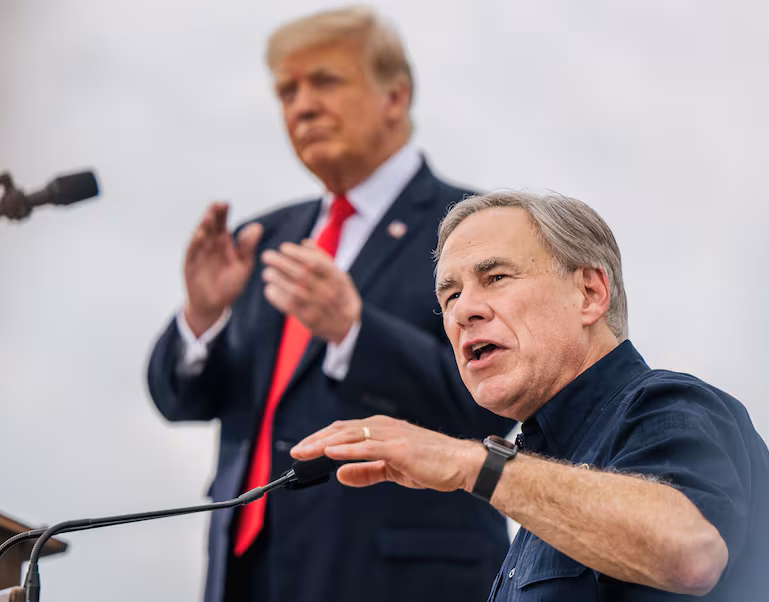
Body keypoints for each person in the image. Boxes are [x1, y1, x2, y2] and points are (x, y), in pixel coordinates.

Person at [147, 7, 513, 602]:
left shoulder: (478, 229)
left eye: (325, 81)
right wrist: (202, 318)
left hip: (401, 577)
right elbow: (178, 398)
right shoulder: (263, 240)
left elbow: (494, 406)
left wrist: (355, 332)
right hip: (245, 576)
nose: (302, 106)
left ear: (395, 96)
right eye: (288, 91)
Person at [291, 190, 769, 601]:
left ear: (590, 294)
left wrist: (468, 463)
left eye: (496, 278)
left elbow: (691, 551)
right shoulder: (540, 486)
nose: (464, 310)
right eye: (450, 295)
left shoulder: (669, 406)